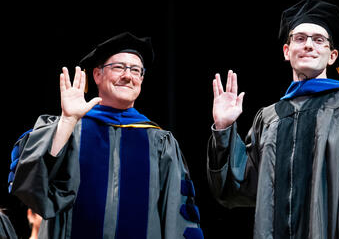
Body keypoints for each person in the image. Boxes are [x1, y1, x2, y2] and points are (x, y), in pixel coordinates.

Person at [207, 0, 339, 238]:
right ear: (287, 52)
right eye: (300, 38)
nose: (309, 45)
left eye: (319, 40)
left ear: (332, 55)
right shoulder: (270, 117)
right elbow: (239, 189)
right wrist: (224, 129)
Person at [8, 31, 204, 239]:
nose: (128, 76)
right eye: (118, 67)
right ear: (97, 75)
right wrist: (66, 122)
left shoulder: (161, 142)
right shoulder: (70, 131)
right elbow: (30, 188)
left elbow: (178, 217)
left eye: (136, 70)